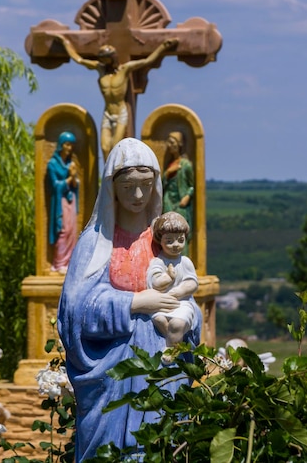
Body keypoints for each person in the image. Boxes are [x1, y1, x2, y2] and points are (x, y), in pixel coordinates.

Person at [58, 138, 201, 462]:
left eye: (146, 186)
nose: (138, 196)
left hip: (160, 369)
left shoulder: (164, 240)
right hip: (112, 378)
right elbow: (74, 312)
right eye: (128, 187)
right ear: (113, 188)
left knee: (158, 448)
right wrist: (134, 304)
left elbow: (186, 294)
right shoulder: (95, 243)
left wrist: (184, 312)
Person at [52, 34, 178, 161]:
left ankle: (114, 175)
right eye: (101, 59)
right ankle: (108, 175)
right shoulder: (100, 69)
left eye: (105, 59)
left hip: (120, 113)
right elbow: (79, 59)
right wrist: (65, 43)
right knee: (105, 147)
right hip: (107, 113)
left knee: (114, 147)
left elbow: (147, 61)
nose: (103, 62)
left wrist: (163, 47)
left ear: (112, 58)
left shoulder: (125, 69)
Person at [148, 212, 199, 364]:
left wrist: (179, 291)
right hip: (162, 302)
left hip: (182, 303)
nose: (176, 245)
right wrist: (168, 278)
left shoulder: (185, 262)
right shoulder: (158, 262)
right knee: (159, 319)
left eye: (180, 240)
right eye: (169, 241)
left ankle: (172, 350)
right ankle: (179, 342)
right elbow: (155, 283)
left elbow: (192, 283)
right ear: (160, 240)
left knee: (177, 324)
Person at [47, 131, 79, 273]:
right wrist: (69, 178)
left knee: (72, 231)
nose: (69, 148)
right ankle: (59, 263)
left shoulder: (70, 164)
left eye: (71, 145)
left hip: (70, 200)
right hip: (60, 202)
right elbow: (55, 186)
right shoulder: (52, 164)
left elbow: (75, 184)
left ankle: (69, 262)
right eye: (67, 144)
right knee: (63, 231)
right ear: (61, 145)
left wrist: (73, 178)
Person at [162, 131, 194, 255]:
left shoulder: (186, 165)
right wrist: (168, 173)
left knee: (180, 232)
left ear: (179, 144)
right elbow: (162, 184)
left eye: (172, 142)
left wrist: (187, 196)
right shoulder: (170, 165)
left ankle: (183, 263)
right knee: (168, 231)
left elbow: (192, 186)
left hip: (180, 203)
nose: (169, 145)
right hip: (168, 200)